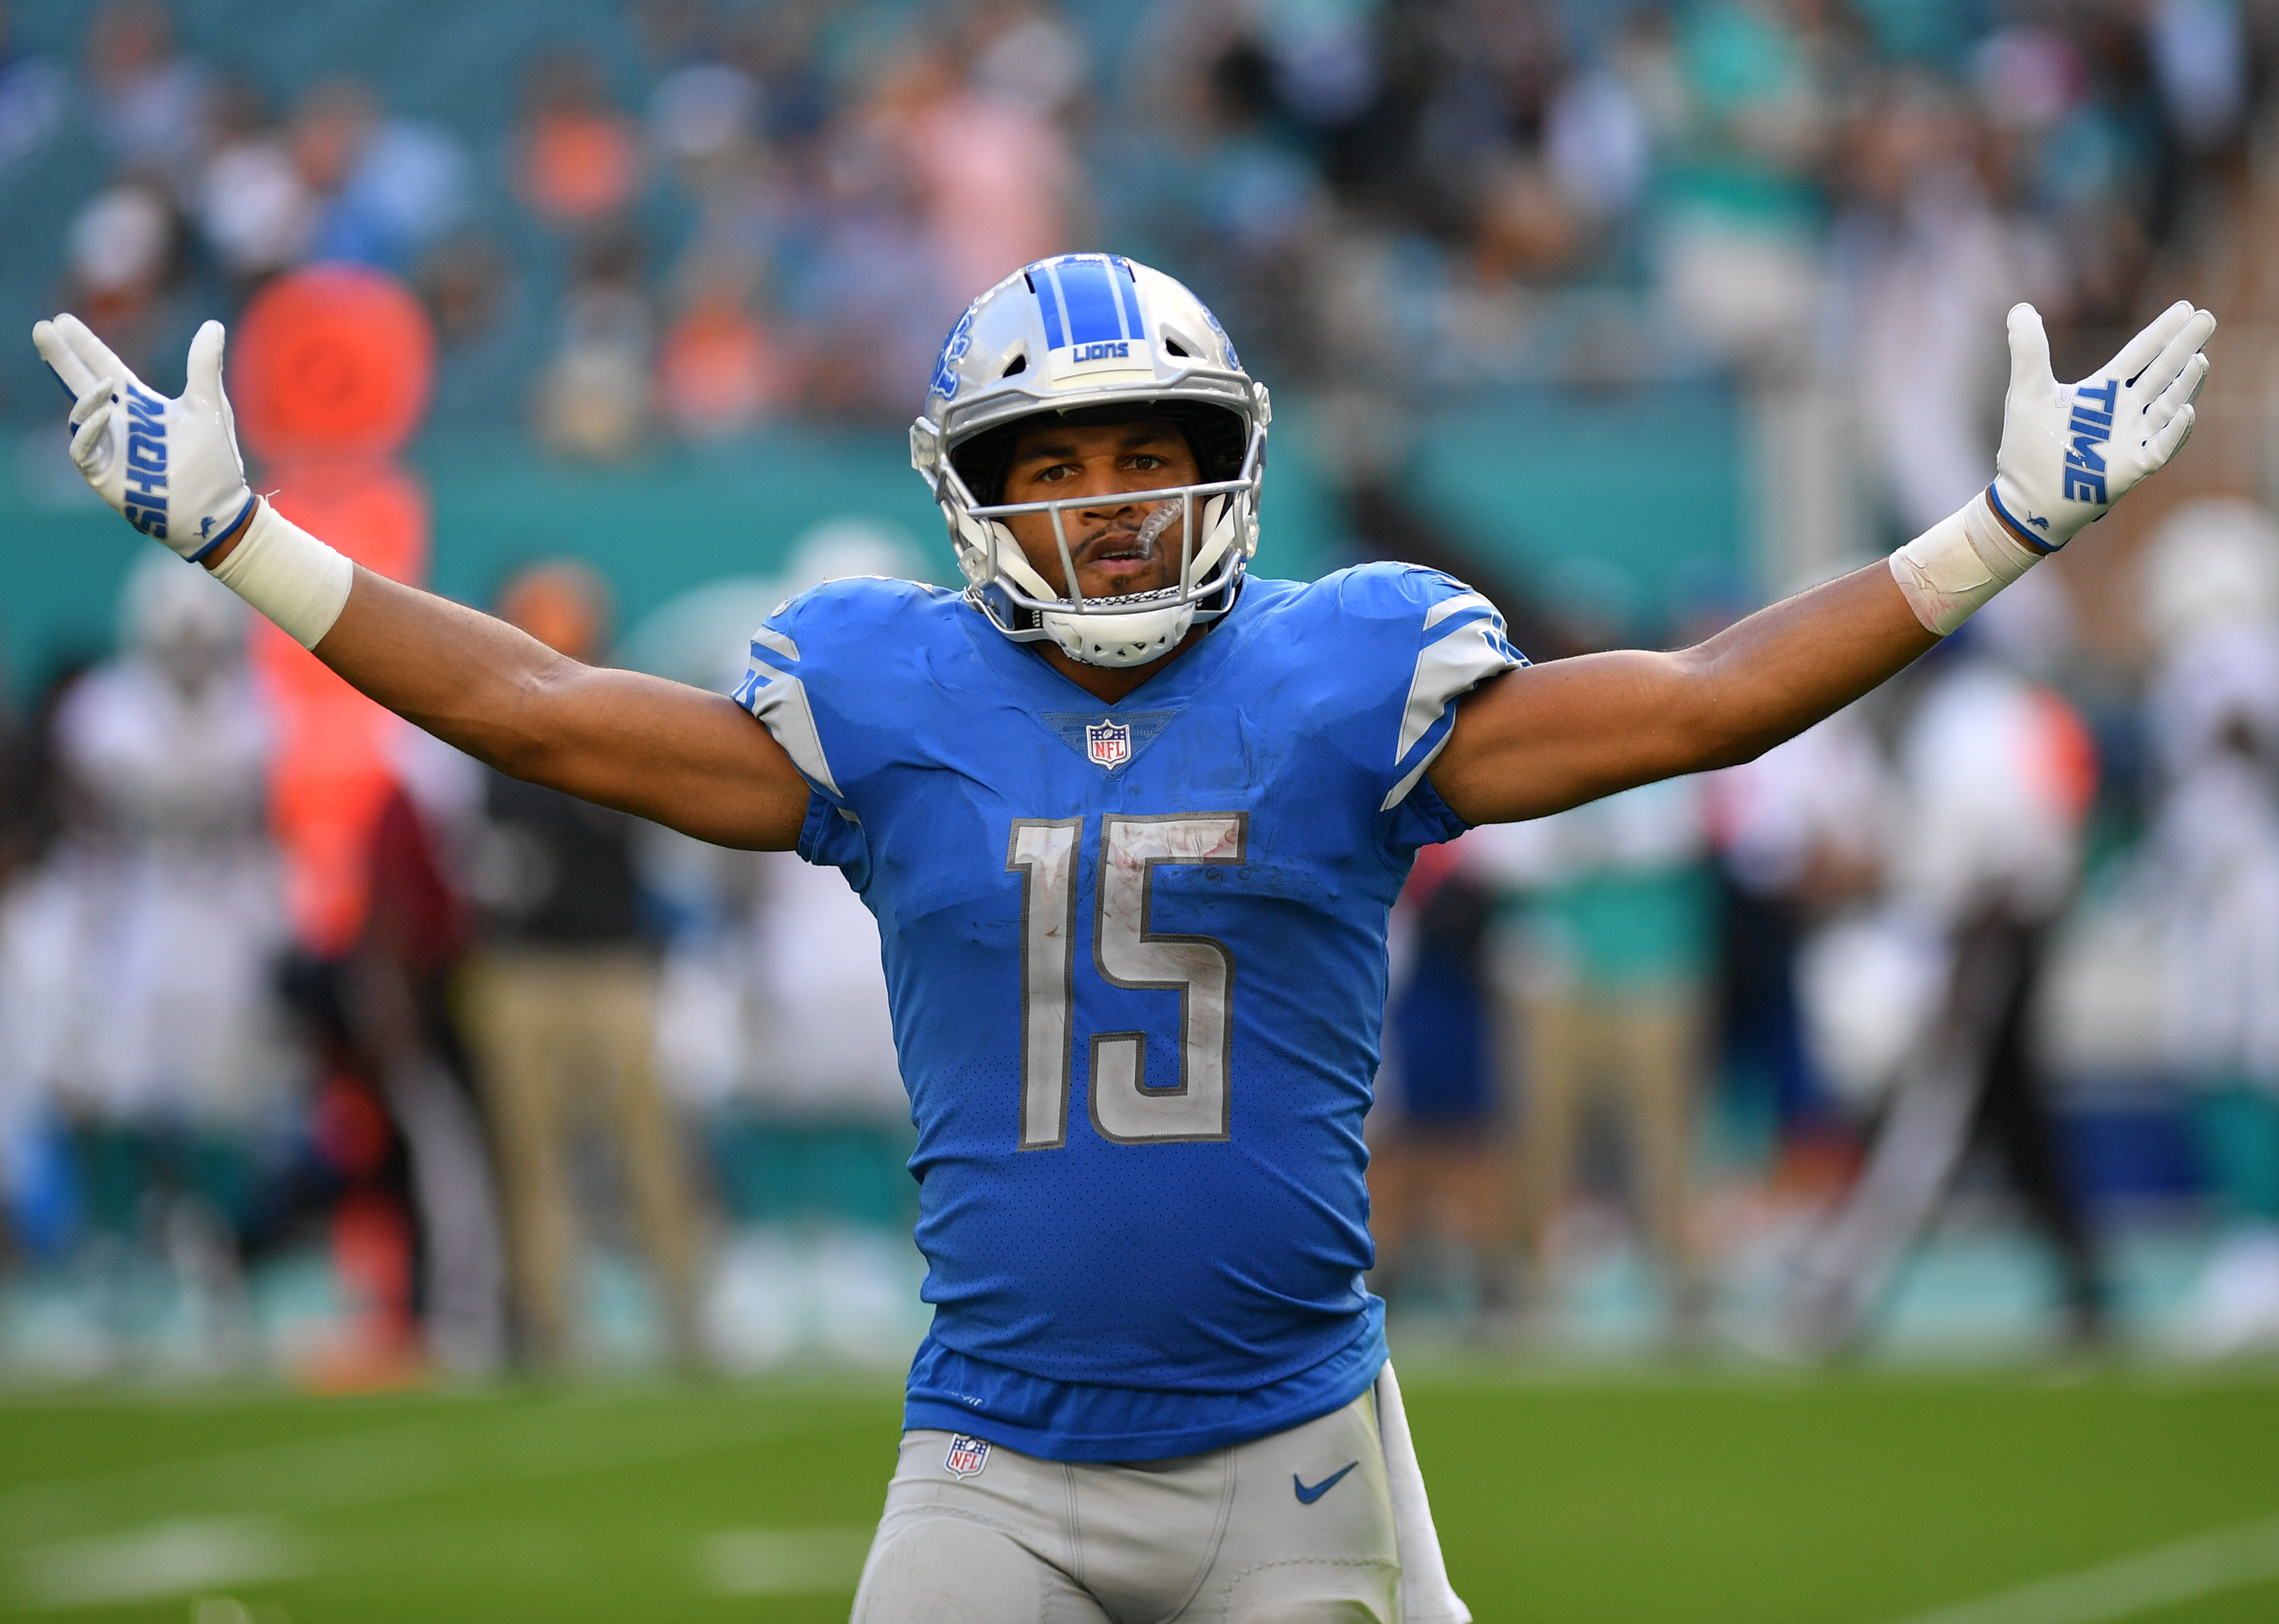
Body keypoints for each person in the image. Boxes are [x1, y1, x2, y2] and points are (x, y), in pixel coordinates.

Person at [33, 258, 2211, 1622]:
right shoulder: (886, 703)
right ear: (977, 488)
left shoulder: (1347, 675)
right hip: (994, 1450)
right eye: (1050, 464)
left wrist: (1995, 532)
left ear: (1221, 471)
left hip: (1290, 1455)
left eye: (1144, 459)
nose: (1102, 504)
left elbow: (1705, 696)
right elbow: (533, 707)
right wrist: (246, 534)